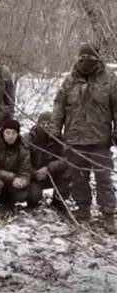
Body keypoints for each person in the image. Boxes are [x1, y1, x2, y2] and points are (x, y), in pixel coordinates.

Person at [53, 43, 117, 234]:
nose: (86, 61)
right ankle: (83, 209)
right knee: (78, 177)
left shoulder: (110, 80)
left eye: (90, 58)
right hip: (74, 138)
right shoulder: (69, 80)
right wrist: (55, 129)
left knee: (103, 178)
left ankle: (108, 214)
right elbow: (58, 106)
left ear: (97, 58)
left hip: (100, 139)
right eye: (83, 58)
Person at [24, 112, 69, 212]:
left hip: (52, 174)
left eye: (49, 123)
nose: (46, 126)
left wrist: (49, 168)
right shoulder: (27, 139)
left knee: (68, 173)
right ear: (37, 123)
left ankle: (58, 202)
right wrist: (34, 173)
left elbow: (67, 159)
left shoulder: (59, 139)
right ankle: (32, 204)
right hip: (34, 176)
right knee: (34, 196)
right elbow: (23, 161)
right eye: (43, 123)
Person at [0, 119, 31, 214]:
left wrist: (22, 181)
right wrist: (11, 177)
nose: (10, 136)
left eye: (14, 133)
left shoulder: (23, 149)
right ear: (3, 132)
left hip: (12, 182)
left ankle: (8, 204)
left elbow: (25, 171)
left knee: (23, 194)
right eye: (8, 133)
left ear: (18, 134)